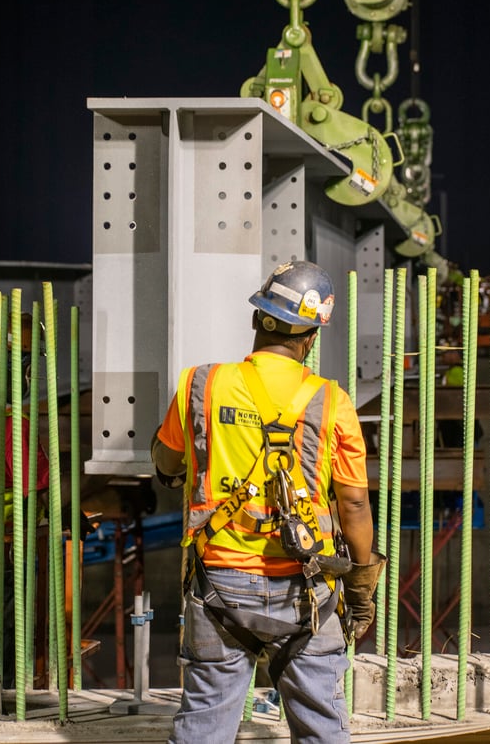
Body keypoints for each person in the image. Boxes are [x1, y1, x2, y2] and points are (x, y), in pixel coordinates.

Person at [151, 260, 385, 744]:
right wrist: (361, 591)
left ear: (257, 318)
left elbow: (167, 462)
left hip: (220, 584)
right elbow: (354, 506)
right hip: (307, 589)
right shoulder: (332, 401)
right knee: (322, 729)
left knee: (204, 727)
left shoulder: (200, 384)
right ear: (311, 338)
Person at [0, 312, 50, 689]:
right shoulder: (12, 424)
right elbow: (31, 487)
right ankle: (3, 697)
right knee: (6, 627)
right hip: (3, 545)